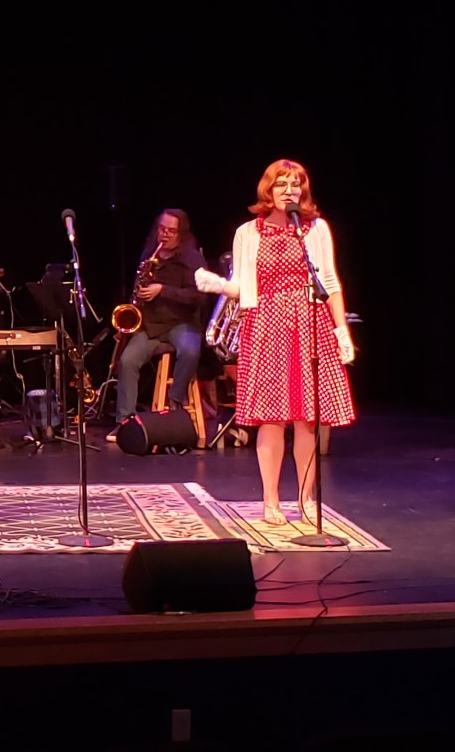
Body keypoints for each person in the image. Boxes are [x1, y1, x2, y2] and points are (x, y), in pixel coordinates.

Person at [195, 159, 356, 525]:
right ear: (268, 189)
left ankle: (305, 497)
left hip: (309, 323)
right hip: (266, 325)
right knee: (271, 418)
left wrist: (341, 330)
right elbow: (245, 288)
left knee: (307, 418)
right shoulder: (247, 232)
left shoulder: (315, 229)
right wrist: (219, 285)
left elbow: (329, 282)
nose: (289, 190)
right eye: (282, 184)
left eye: (296, 184)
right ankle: (270, 500)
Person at [107, 209, 207, 443]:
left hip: (182, 322)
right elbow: (138, 293)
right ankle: (124, 423)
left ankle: (175, 401)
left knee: (191, 351)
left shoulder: (192, 259)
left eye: (171, 231)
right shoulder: (149, 255)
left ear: (180, 233)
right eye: (162, 229)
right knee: (127, 361)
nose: (164, 235)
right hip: (151, 324)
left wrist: (163, 290)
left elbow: (200, 297)